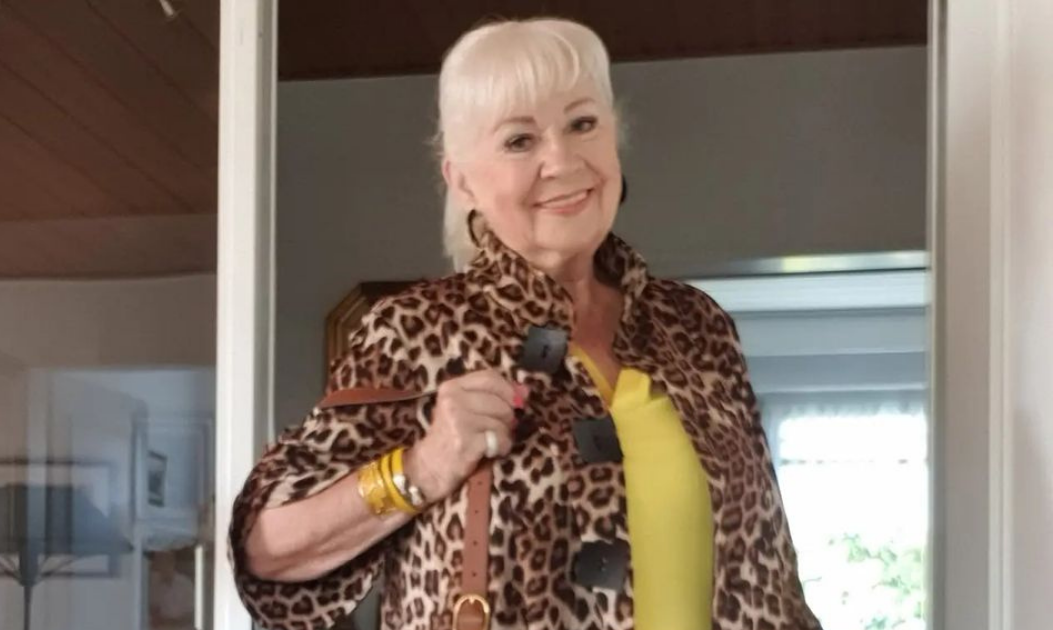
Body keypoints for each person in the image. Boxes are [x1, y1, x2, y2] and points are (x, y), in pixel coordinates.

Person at [229, 17, 821, 630]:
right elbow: (265, 549)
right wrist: (424, 467)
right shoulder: (414, 330)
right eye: (519, 140)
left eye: (582, 124)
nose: (561, 160)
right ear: (461, 179)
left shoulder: (696, 327)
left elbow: (769, 566)